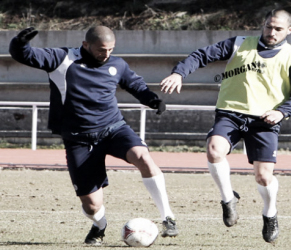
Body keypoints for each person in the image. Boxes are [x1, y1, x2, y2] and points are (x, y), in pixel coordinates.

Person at [9, 26, 178, 245]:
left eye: (110, 49)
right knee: (91, 205)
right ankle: (100, 226)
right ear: (86, 45)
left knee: (143, 156)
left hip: (113, 128)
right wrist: (19, 42)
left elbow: (135, 84)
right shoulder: (62, 59)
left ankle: (168, 217)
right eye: (101, 50)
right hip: (78, 139)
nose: (106, 54)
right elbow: (25, 55)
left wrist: (152, 99)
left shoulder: (117, 64)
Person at [160, 9, 291, 243]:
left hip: (264, 122)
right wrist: (179, 73)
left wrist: (282, 112)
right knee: (213, 150)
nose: (272, 32)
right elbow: (201, 55)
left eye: (278, 29)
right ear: (263, 24)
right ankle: (228, 198)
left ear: (289, 31)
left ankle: (270, 214)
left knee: (263, 177)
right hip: (230, 113)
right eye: (269, 26)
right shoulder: (239, 43)